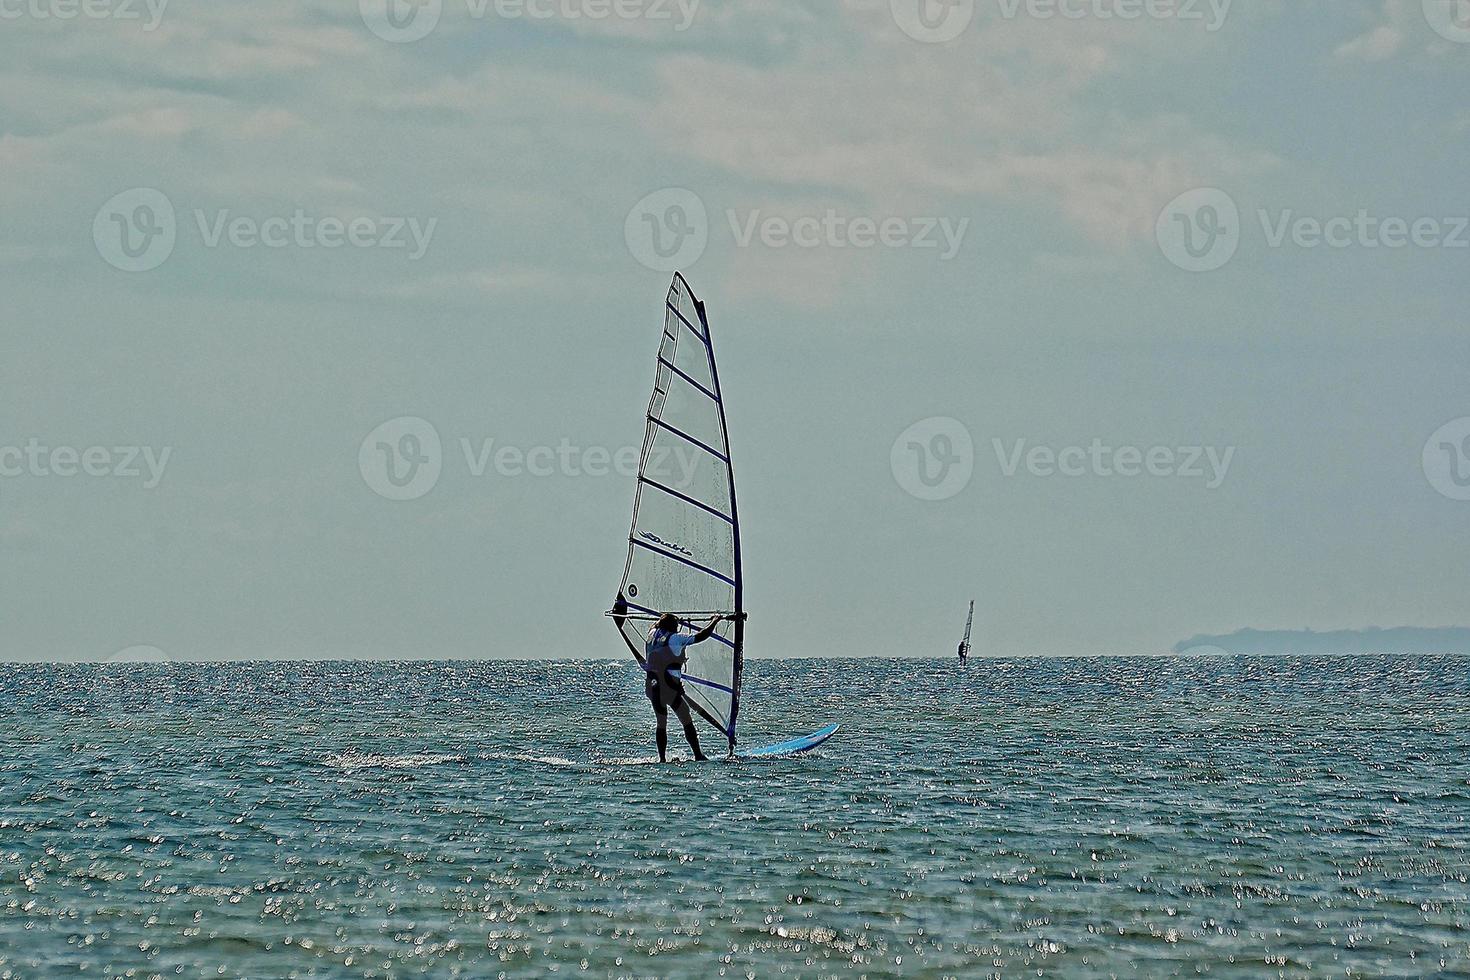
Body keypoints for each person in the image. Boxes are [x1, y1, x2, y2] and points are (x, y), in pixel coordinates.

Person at [645, 612, 724, 762]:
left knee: (661, 721)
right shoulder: (675, 639)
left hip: (652, 686)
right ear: (672, 627)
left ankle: (662, 759)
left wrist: (669, 621)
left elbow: (656, 625)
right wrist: (714, 621)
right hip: (668, 688)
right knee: (686, 717)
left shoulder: (651, 634)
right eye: (676, 625)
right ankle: (698, 755)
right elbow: (701, 636)